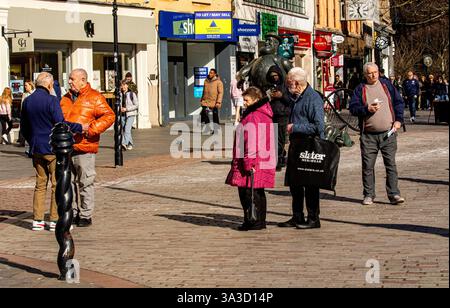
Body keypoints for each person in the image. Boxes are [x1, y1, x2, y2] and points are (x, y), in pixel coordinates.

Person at [20, 72, 86, 231]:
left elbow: (24, 127)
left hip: (36, 149)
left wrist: (32, 141)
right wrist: (79, 127)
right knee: (57, 184)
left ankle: (37, 220)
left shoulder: (28, 101)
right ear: (49, 85)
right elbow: (61, 124)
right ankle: (55, 219)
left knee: (40, 184)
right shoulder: (51, 100)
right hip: (51, 148)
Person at [60, 68, 115, 227]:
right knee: (68, 183)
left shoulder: (94, 97)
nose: (69, 81)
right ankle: (73, 212)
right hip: (66, 147)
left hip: (85, 146)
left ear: (83, 80)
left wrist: (91, 129)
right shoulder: (65, 99)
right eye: (69, 79)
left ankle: (85, 214)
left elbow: (109, 115)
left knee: (85, 181)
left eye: (72, 79)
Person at [349, 62, 405, 206]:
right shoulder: (360, 89)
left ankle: (394, 194)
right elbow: (353, 108)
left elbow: (398, 102)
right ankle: (368, 194)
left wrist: (398, 120)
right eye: (370, 73)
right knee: (368, 166)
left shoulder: (387, 85)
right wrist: (367, 109)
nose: (373, 75)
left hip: (389, 133)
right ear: (365, 74)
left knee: (390, 164)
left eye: (375, 72)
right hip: (369, 135)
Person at [278, 67, 325, 230]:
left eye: (289, 81)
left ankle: (313, 218)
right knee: (295, 183)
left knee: (310, 184)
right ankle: (297, 216)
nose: (287, 84)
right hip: (296, 145)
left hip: (309, 145)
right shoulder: (295, 97)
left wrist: (295, 127)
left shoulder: (313, 98)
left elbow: (319, 126)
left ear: (296, 83)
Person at [225, 86, 276, 231]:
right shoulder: (264, 113)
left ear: (256, 100)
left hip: (252, 161)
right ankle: (260, 221)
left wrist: (249, 163)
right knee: (258, 191)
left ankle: (252, 221)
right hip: (262, 159)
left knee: (248, 193)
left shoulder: (253, 116)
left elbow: (251, 143)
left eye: (247, 100)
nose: (245, 103)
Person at [266, 65, 290, 171]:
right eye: (272, 76)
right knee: (273, 139)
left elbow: (290, 101)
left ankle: (279, 159)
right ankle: (277, 157)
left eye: (275, 75)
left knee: (280, 138)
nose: (274, 77)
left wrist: (282, 96)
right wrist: (269, 97)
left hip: (282, 115)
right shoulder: (268, 86)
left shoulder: (286, 86)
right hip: (271, 115)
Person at [120, 80, 139, 151]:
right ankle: (130, 144)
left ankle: (124, 143)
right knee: (125, 130)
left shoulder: (132, 94)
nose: (123, 86)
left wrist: (127, 109)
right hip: (122, 115)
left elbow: (136, 105)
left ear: (127, 86)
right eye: (122, 85)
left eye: (125, 85)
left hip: (130, 114)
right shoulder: (120, 94)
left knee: (127, 129)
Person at [18, 81, 35, 147]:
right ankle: (23, 142)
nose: (25, 87)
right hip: (25, 114)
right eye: (24, 85)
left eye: (26, 85)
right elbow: (22, 105)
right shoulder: (24, 94)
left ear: (31, 86)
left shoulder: (34, 93)